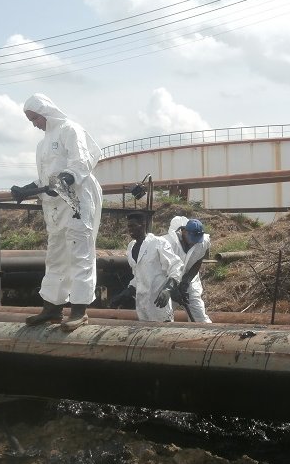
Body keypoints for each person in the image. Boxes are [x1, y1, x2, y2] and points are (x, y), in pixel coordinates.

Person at [12, 93, 103, 332]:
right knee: (55, 255)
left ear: (45, 112)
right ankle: (52, 307)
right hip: (54, 209)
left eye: (35, 118)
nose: (34, 124)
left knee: (80, 254)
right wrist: (28, 190)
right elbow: (46, 179)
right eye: (31, 120)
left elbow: (81, 163)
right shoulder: (42, 145)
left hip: (76, 203)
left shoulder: (69, 130)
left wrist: (65, 179)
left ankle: (79, 310)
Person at [110, 212, 184, 322]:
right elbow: (138, 276)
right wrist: (124, 294)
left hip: (158, 302)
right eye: (128, 226)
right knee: (146, 336)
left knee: (163, 334)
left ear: (143, 225)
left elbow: (176, 266)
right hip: (142, 304)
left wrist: (167, 289)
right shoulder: (131, 247)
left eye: (133, 226)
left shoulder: (158, 243)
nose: (130, 230)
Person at [163, 216, 212, 323]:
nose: (194, 242)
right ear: (184, 231)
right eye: (192, 238)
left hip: (190, 280)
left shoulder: (203, 242)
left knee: (199, 315)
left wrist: (186, 281)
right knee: (165, 316)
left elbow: (198, 261)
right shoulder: (168, 243)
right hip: (167, 282)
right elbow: (161, 268)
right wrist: (173, 289)